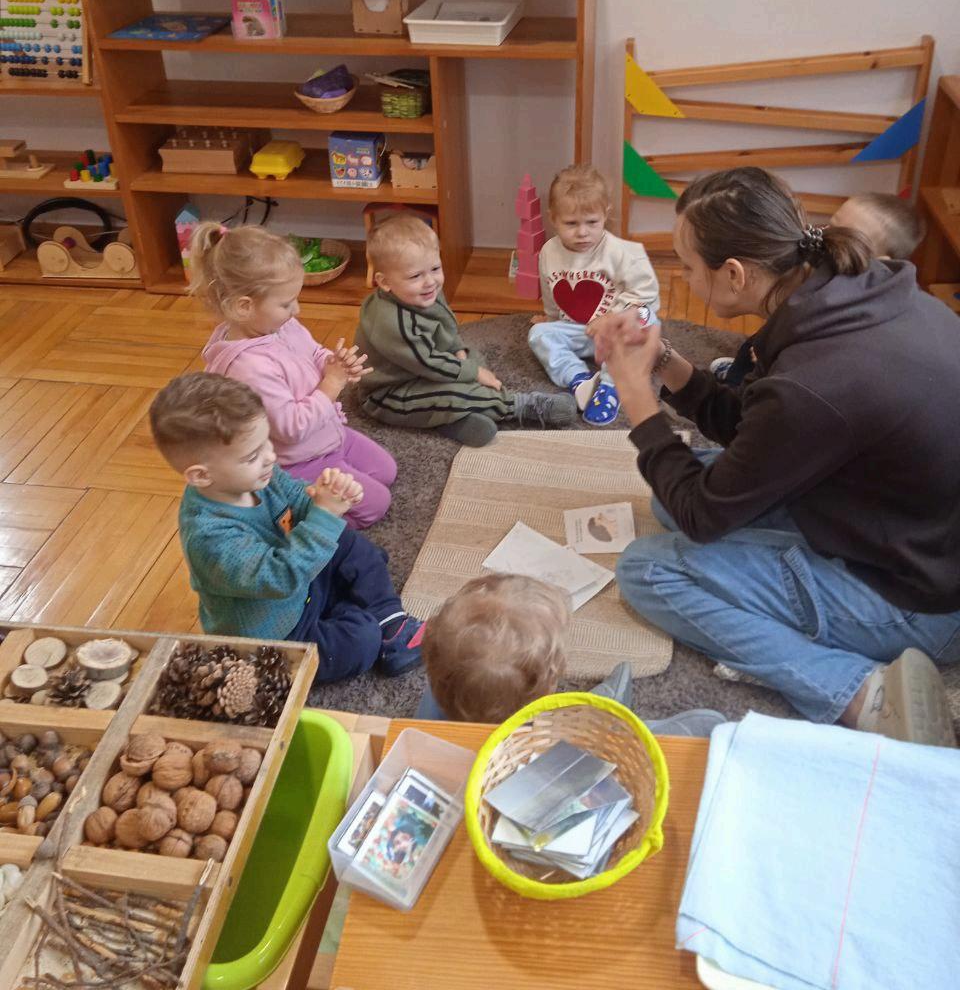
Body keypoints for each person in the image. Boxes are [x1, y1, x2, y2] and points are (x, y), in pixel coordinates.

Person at [592, 166, 960, 747]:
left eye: (688, 265)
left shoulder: (813, 381)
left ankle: (859, 693)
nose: (683, 277)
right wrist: (663, 362)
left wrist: (637, 398)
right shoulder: (861, 290)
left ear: (734, 275)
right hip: (909, 527)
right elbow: (762, 425)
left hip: (920, 598)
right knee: (670, 498)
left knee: (648, 569)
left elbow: (703, 516)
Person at [149, 371, 423, 681]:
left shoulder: (258, 476)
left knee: (347, 541)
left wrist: (322, 497)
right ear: (201, 476)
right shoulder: (208, 537)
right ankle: (369, 618)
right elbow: (280, 578)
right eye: (252, 455)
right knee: (361, 640)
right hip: (277, 633)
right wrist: (323, 516)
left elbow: (294, 495)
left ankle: (390, 620)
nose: (270, 457)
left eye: (266, 441)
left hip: (303, 580)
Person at [190, 223, 396, 529]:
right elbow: (293, 429)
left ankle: (328, 485)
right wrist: (332, 382)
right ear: (244, 307)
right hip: (300, 461)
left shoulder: (277, 325)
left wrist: (333, 362)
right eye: (286, 303)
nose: (297, 309)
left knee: (386, 471)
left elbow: (312, 352)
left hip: (327, 434)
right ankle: (299, 516)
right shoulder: (249, 368)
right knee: (377, 504)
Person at [356, 213, 576, 447]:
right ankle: (521, 406)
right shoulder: (391, 322)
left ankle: (447, 418)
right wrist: (472, 373)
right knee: (455, 392)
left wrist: (458, 352)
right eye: (415, 276)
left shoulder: (422, 292)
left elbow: (446, 325)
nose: (430, 281)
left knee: (473, 357)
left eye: (435, 268)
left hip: (423, 370)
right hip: (391, 394)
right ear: (384, 282)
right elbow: (429, 363)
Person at [418, 573, 725, 736]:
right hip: (534, 757)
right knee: (611, 740)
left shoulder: (438, 695)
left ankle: (599, 707)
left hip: (458, 740)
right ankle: (628, 725)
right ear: (548, 684)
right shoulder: (540, 744)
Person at [710, 191, 927, 386]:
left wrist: (771, 357)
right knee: (756, 342)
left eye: (847, 237)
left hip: (811, 371)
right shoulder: (830, 267)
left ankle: (735, 386)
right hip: (797, 341)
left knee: (754, 354)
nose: (826, 237)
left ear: (879, 261)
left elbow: (825, 351)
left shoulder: (856, 305)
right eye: (831, 225)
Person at [528, 164, 660, 425]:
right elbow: (550, 291)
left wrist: (613, 317)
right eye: (571, 223)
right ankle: (580, 379)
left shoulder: (623, 252)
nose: (582, 232)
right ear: (553, 218)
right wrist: (551, 318)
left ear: (605, 214)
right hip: (579, 331)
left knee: (649, 319)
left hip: (616, 332)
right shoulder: (549, 252)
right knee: (538, 334)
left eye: (592, 222)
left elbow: (648, 297)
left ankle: (611, 385)